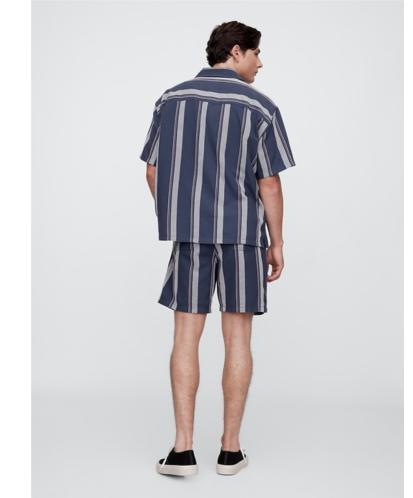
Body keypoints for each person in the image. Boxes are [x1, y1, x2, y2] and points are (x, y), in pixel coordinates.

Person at [140, 20, 296, 477]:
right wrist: (277, 242)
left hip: (190, 237)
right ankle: (230, 451)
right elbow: (269, 183)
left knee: (185, 337)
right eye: (256, 53)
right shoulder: (260, 107)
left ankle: (182, 451)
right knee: (238, 339)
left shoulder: (170, 100)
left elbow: (152, 171)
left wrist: (178, 215)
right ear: (236, 51)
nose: (260, 63)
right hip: (243, 237)